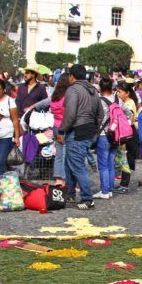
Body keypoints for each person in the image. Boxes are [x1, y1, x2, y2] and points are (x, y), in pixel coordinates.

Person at [58, 64, 103, 209]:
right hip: (89, 129)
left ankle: (87, 198)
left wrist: (61, 130)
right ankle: (70, 194)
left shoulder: (73, 90)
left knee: (77, 165)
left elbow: (70, 114)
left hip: (77, 130)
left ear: (72, 76)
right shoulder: (93, 91)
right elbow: (100, 114)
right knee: (69, 163)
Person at [114, 81, 139, 194]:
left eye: (120, 91)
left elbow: (128, 119)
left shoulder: (130, 103)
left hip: (129, 134)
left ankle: (125, 184)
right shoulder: (123, 102)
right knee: (122, 159)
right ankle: (122, 183)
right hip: (124, 133)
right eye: (117, 91)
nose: (117, 94)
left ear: (127, 93)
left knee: (127, 160)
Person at [95, 77, 117, 199]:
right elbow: (128, 113)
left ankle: (104, 191)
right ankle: (110, 190)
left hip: (103, 134)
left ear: (100, 87)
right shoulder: (117, 99)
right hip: (116, 135)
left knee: (103, 165)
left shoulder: (98, 101)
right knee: (110, 163)